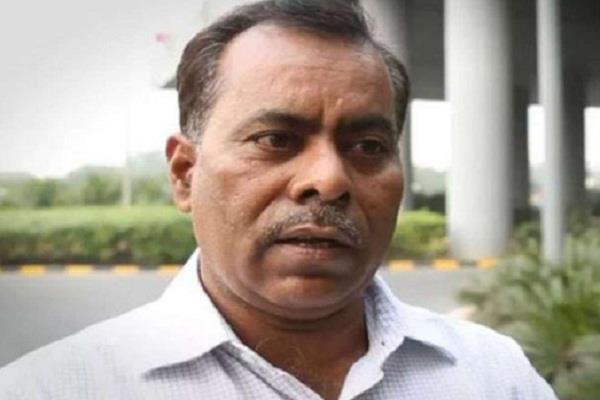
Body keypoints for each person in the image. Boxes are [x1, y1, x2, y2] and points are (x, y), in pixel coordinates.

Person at [0, 1, 557, 399]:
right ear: (185, 175)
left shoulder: (490, 375)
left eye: (367, 146)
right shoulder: (57, 387)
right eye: (275, 140)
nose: (328, 180)